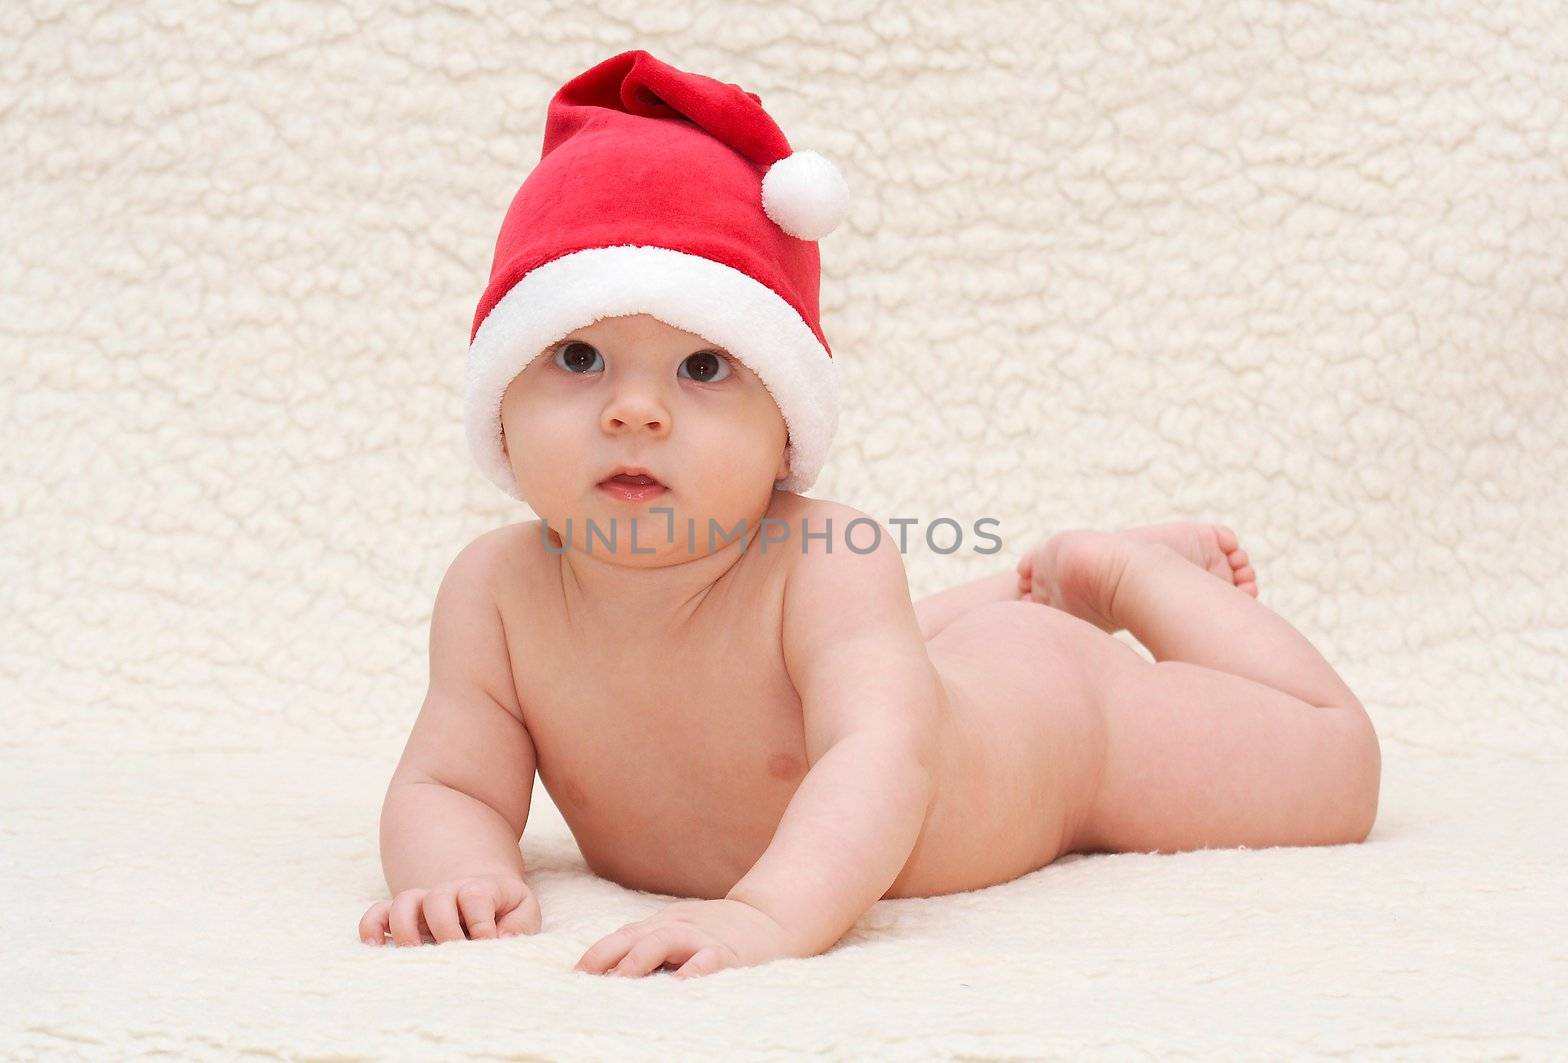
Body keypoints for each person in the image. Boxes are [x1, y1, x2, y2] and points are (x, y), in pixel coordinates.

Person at [357, 50, 1381, 980]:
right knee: (888, 656)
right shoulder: (493, 592)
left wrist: (763, 914)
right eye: (577, 358)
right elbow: (450, 783)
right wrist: (455, 873)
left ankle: (1115, 576)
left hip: (1058, 725)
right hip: (931, 665)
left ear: (785, 434)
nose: (635, 409)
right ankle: (1033, 585)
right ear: (500, 398)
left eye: (703, 367)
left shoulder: (821, 558)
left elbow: (877, 758)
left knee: (1332, 771)